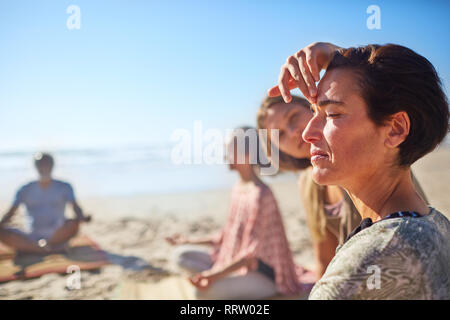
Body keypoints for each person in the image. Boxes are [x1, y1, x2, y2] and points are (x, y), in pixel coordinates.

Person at [268, 42, 450, 299]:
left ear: (396, 129)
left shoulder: (368, 262)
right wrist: (343, 59)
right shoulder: (435, 224)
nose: (308, 133)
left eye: (331, 114)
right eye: (314, 112)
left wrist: (344, 59)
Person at [257, 95, 428, 279]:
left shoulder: (363, 153)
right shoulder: (309, 182)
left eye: (293, 117)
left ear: (313, 109)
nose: (291, 132)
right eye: (280, 134)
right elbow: (324, 258)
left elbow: (410, 233)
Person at [166, 127, 315, 299]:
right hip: (232, 261)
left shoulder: (262, 194)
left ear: (248, 154)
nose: (224, 156)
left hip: (263, 275)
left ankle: (232, 281)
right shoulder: (239, 187)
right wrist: (188, 240)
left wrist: (213, 276)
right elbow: (227, 235)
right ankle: (228, 278)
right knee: (180, 255)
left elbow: (250, 256)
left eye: (230, 151)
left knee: (200, 293)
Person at [0, 152, 91, 254]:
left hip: (57, 233)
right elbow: (10, 213)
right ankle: (47, 249)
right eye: (41, 164)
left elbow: (76, 208)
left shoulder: (65, 186)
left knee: (73, 223)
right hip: (31, 234)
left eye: (47, 164)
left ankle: (35, 248)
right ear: (36, 166)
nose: (44, 167)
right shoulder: (25, 189)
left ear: (52, 166)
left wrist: (82, 217)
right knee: (2, 232)